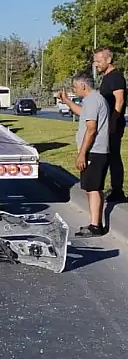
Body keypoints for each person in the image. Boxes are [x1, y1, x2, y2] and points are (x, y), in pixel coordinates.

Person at [59, 72, 111, 237]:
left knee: (92, 189)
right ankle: (96, 223)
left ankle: (95, 226)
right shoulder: (94, 100)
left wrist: (82, 154)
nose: (75, 90)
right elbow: (82, 113)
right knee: (94, 188)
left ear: (83, 86)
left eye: (75, 87)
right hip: (98, 151)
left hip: (94, 152)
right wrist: (67, 101)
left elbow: (91, 129)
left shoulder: (92, 101)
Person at [94, 47, 127, 202]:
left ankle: (118, 191)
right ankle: (112, 188)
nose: (96, 64)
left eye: (99, 61)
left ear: (108, 60)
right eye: (95, 61)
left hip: (113, 124)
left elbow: (119, 101)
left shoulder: (116, 77)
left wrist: (112, 122)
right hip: (107, 123)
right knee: (109, 155)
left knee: (113, 156)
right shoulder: (107, 77)